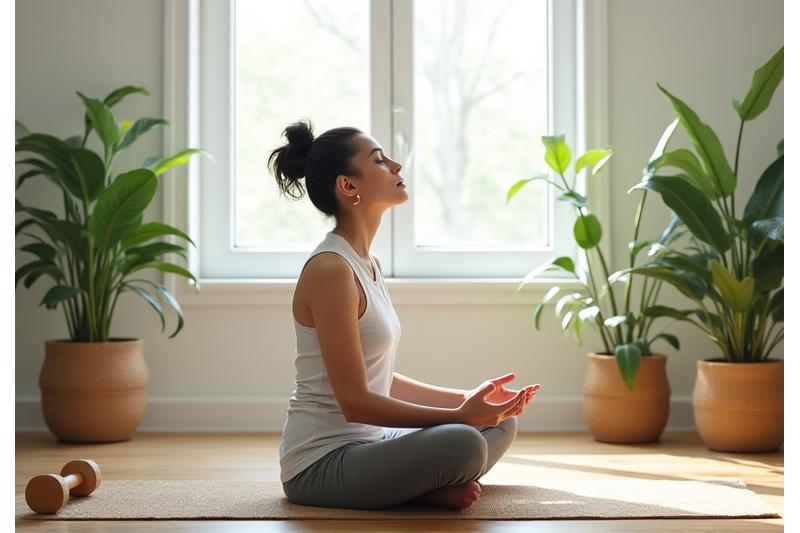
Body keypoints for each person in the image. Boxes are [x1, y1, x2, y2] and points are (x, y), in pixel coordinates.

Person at [269, 118, 540, 511]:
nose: (396, 165)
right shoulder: (331, 269)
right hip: (321, 464)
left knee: (497, 423)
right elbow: (356, 402)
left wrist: (469, 400)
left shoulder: (367, 263)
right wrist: (459, 415)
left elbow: (381, 379)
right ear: (348, 186)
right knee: (463, 442)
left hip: (373, 443)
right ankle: (426, 485)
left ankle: (423, 485)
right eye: (379, 160)